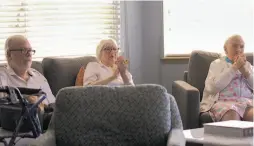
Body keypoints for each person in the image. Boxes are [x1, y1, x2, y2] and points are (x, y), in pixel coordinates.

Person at [0, 35, 55, 130]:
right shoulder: (2, 76)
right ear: (9, 54)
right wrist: (26, 100)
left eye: (30, 50)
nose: (29, 54)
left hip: (47, 120)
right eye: (23, 50)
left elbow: (53, 102)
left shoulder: (38, 76)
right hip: (18, 124)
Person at [200, 34, 253, 122]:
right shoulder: (217, 64)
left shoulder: (247, 65)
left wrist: (246, 72)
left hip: (246, 102)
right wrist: (234, 67)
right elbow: (213, 88)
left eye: (242, 46)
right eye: (234, 46)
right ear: (225, 49)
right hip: (224, 102)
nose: (239, 49)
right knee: (232, 116)